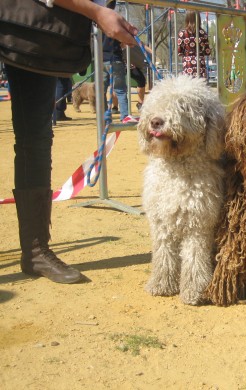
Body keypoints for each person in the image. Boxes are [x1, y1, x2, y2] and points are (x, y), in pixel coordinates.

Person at [1, 0, 137, 284]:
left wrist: (100, 11)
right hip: (24, 22)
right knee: (34, 140)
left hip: (34, 37)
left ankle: (36, 251)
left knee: (35, 138)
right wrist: (97, 12)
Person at [102, 1, 137, 123]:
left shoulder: (98, 21)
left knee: (102, 89)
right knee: (121, 90)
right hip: (115, 58)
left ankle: (105, 118)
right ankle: (124, 116)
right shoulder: (115, 20)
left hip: (102, 59)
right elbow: (123, 40)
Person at [177, 11, 211, 78]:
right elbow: (207, 51)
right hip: (200, 61)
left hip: (188, 63)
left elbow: (179, 51)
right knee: (201, 83)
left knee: (188, 84)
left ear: (187, 19)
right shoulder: (203, 33)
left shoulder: (182, 33)